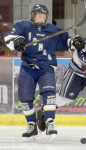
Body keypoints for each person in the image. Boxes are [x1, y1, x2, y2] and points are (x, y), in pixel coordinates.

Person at [4, 4, 69, 137]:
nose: (40, 17)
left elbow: (67, 41)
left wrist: (75, 42)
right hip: (28, 67)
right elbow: (8, 37)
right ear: (33, 15)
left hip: (46, 68)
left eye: (43, 15)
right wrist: (17, 42)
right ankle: (31, 125)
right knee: (25, 98)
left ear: (46, 17)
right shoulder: (23, 26)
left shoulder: (53, 30)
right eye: (38, 14)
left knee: (49, 93)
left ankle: (50, 122)